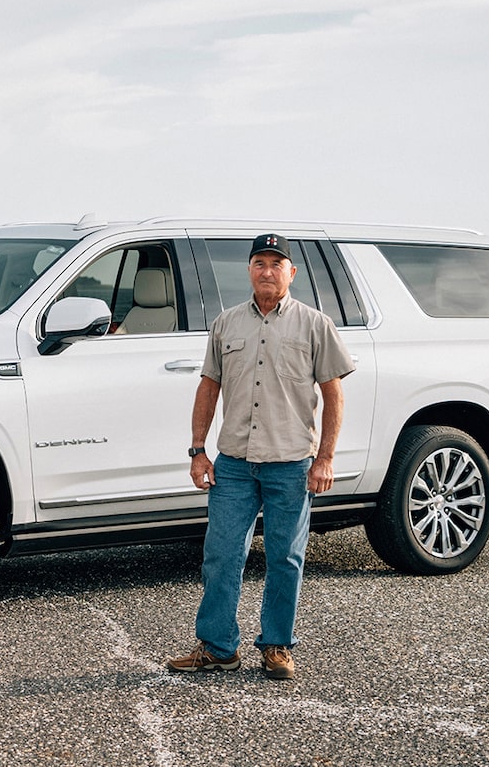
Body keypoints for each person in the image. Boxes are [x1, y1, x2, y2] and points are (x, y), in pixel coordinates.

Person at [167, 233, 355, 680]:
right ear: (249, 270)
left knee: (285, 558)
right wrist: (198, 451)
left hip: (291, 464)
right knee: (220, 556)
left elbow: (334, 394)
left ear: (291, 272)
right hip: (233, 464)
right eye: (259, 263)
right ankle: (217, 648)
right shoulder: (226, 323)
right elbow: (208, 387)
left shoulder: (314, 325)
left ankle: (276, 646)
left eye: (276, 263)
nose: (267, 270)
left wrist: (325, 457)